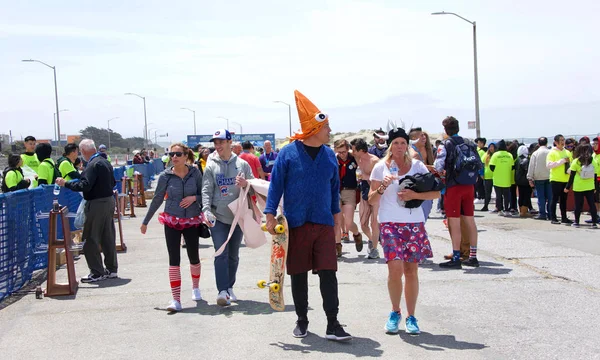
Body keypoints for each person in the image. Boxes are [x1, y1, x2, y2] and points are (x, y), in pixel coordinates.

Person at [265, 90, 352, 341]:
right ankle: (302, 320)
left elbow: (334, 188)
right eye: (326, 127)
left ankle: (333, 323)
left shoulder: (329, 156)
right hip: (296, 223)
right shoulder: (288, 153)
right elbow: (276, 185)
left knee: (329, 273)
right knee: (298, 273)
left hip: (324, 223)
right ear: (314, 129)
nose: (329, 132)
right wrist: (270, 214)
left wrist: (338, 220)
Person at [368, 125, 438, 335]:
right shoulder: (381, 167)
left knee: (411, 270)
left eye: (403, 143)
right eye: (396, 143)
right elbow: (371, 199)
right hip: (389, 223)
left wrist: (414, 196)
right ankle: (395, 312)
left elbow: (435, 194)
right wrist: (382, 187)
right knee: (395, 270)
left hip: (414, 224)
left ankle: (411, 316)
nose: (399, 147)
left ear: (407, 145)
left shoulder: (418, 166)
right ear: (390, 146)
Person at [141, 143, 204, 312]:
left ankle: (195, 287)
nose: (174, 157)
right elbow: (157, 199)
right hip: (171, 220)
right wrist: (145, 221)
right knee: (174, 259)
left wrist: (194, 198)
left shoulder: (195, 173)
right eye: (171, 154)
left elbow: (204, 194)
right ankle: (176, 299)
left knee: (194, 255)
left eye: (177, 154)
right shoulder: (165, 176)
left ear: (185, 156)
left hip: (191, 220)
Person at [201, 129, 254, 306]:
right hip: (218, 216)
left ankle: (230, 287)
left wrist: (246, 184)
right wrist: (206, 210)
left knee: (233, 255)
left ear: (230, 143)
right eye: (215, 143)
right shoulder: (211, 165)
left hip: (237, 216)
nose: (217, 146)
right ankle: (222, 291)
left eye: (221, 142)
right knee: (220, 253)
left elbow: (254, 187)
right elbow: (206, 189)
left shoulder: (242, 165)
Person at [56, 139, 117, 283]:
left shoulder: (92, 165)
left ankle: (96, 271)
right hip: (108, 201)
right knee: (107, 236)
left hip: (96, 203)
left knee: (90, 237)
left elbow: (85, 185)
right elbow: (113, 182)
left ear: (83, 151)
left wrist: (66, 184)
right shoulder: (104, 162)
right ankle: (111, 268)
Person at [434, 116, 480, 269]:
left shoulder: (445, 144)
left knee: (454, 222)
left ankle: (456, 256)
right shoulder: (469, 142)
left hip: (453, 186)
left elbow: (438, 166)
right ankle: (473, 256)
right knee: (470, 221)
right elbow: (479, 166)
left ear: (445, 130)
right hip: (469, 185)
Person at [350, 137, 382, 259]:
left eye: (354, 150)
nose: (352, 152)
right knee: (363, 223)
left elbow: (381, 177)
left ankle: (374, 249)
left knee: (374, 222)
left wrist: (366, 176)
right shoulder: (357, 158)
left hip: (375, 191)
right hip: (364, 190)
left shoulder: (375, 161)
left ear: (361, 150)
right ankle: (371, 240)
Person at [333, 139, 362, 255]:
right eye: (339, 152)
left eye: (344, 152)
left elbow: (363, 167)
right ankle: (337, 246)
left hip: (350, 191)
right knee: (337, 222)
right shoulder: (333, 159)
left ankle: (356, 234)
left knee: (349, 222)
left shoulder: (354, 158)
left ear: (348, 149)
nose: (342, 154)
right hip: (336, 191)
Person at [565, 144, 598, 228]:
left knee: (578, 205)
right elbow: (595, 176)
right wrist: (595, 187)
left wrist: (567, 187)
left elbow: (571, 176)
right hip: (590, 186)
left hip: (578, 186)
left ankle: (576, 222)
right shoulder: (593, 161)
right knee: (592, 204)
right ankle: (594, 223)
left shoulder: (576, 161)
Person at [408, 128, 436, 221]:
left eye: (424, 135)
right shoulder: (414, 154)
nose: (424, 137)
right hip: (419, 189)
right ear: (413, 138)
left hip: (425, 187)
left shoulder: (426, 150)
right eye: (421, 135)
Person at [546, 134, 573, 224]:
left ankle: (564, 217)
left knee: (564, 200)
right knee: (554, 199)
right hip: (555, 179)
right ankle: (553, 217)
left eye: (563, 140)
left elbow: (571, 165)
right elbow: (549, 165)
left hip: (565, 179)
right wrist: (562, 161)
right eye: (560, 140)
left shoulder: (568, 152)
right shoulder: (552, 152)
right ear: (556, 142)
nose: (562, 142)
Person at [527, 137, 552, 220]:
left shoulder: (535, 153)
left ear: (538, 144)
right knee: (550, 196)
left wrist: (530, 178)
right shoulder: (550, 152)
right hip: (550, 177)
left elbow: (531, 166)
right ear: (547, 143)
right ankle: (551, 213)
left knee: (541, 197)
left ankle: (542, 213)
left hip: (539, 177)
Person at [489, 140, 514, 216]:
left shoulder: (495, 155)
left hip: (497, 178)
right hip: (506, 178)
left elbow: (491, 167)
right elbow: (512, 167)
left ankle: (500, 210)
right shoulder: (509, 155)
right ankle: (506, 210)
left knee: (498, 196)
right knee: (506, 196)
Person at [515, 145, 533, 217]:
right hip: (525, 181)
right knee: (526, 196)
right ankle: (524, 212)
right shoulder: (526, 160)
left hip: (519, 181)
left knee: (521, 196)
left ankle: (521, 211)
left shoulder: (517, 160)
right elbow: (527, 171)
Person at [481, 143, 495, 212]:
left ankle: (499, 206)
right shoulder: (486, 155)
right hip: (487, 176)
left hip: (496, 176)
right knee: (487, 193)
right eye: (490, 147)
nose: (491, 148)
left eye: (493, 147)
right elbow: (482, 165)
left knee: (498, 193)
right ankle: (485, 206)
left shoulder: (496, 155)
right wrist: (481, 174)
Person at [473, 137, 487, 204]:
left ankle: (481, 197)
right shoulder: (480, 150)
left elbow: (480, 162)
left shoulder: (481, 152)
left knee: (479, 184)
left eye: (478, 143)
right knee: (478, 184)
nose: (477, 144)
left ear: (482, 144)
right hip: (477, 170)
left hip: (479, 170)